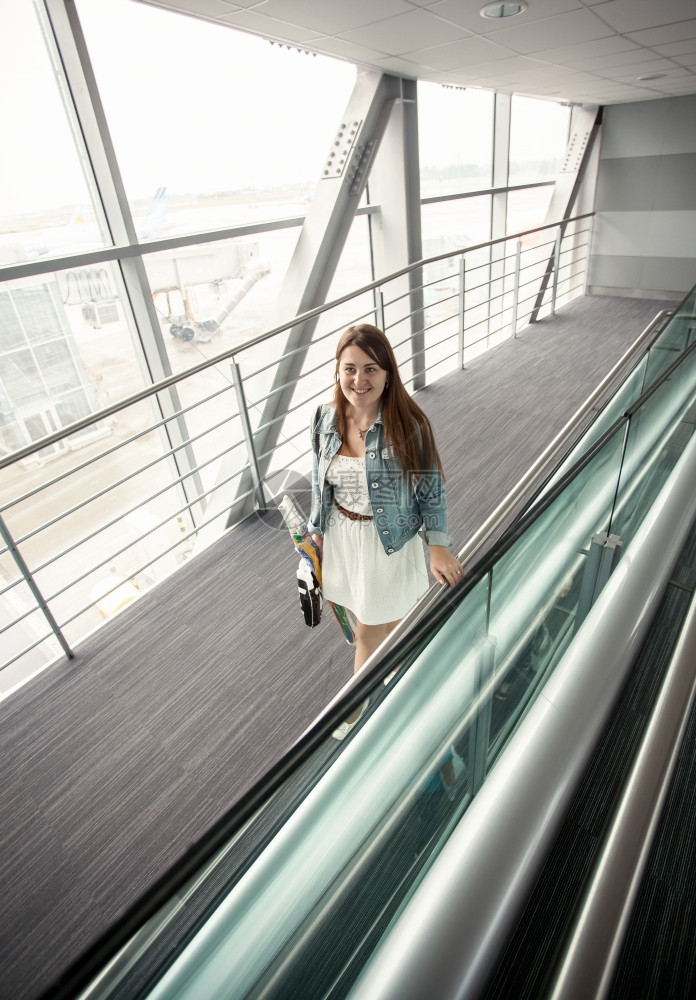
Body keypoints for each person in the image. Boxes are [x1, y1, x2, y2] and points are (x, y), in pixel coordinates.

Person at [307, 323, 463, 739]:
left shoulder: (408, 423)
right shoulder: (324, 418)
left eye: (371, 369)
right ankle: (403, 674)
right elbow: (319, 482)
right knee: (381, 622)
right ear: (338, 371)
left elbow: (431, 488)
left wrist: (439, 546)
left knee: (367, 631)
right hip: (344, 540)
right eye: (350, 369)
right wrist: (316, 536)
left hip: (387, 544)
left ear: (389, 373)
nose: (360, 380)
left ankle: (353, 707)